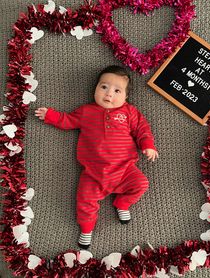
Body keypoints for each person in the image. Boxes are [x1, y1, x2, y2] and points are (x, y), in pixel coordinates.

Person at [35, 65, 158, 249]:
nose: (109, 94)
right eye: (103, 87)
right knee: (84, 200)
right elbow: (67, 120)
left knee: (141, 184)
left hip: (125, 170)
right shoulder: (86, 111)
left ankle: (122, 203)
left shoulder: (129, 112)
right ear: (95, 89)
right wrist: (50, 115)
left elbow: (142, 130)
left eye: (117, 90)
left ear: (126, 97)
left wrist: (147, 146)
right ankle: (86, 229)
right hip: (94, 173)